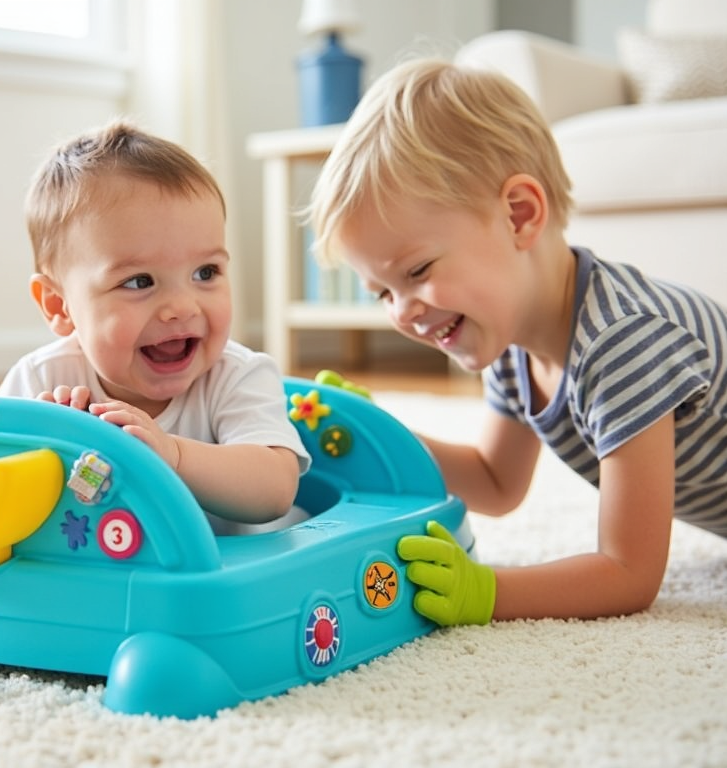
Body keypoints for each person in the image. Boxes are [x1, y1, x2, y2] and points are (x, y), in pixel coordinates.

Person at [307, 57, 727, 626]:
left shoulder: (623, 343)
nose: (403, 312)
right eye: (381, 293)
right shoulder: (510, 340)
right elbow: (496, 481)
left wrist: (488, 594)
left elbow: (629, 573)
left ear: (519, 215)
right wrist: (379, 430)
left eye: (418, 270)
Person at [0, 120, 310, 534]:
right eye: (139, 281)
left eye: (206, 272)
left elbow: (274, 489)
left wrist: (172, 454)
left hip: (236, 580)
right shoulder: (41, 380)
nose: (182, 306)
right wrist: (43, 443)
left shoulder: (237, 377)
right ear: (60, 305)